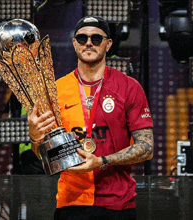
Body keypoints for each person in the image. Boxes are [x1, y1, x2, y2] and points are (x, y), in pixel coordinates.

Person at [28, 16, 154, 220]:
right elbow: (46, 160)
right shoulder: (56, 91)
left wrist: (102, 161)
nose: (88, 42)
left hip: (118, 204)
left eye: (96, 38)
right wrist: (35, 137)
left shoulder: (129, 87)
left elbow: (147, 148)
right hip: (70, 203)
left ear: (108, 44)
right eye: (82, 37)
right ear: (74, 43)